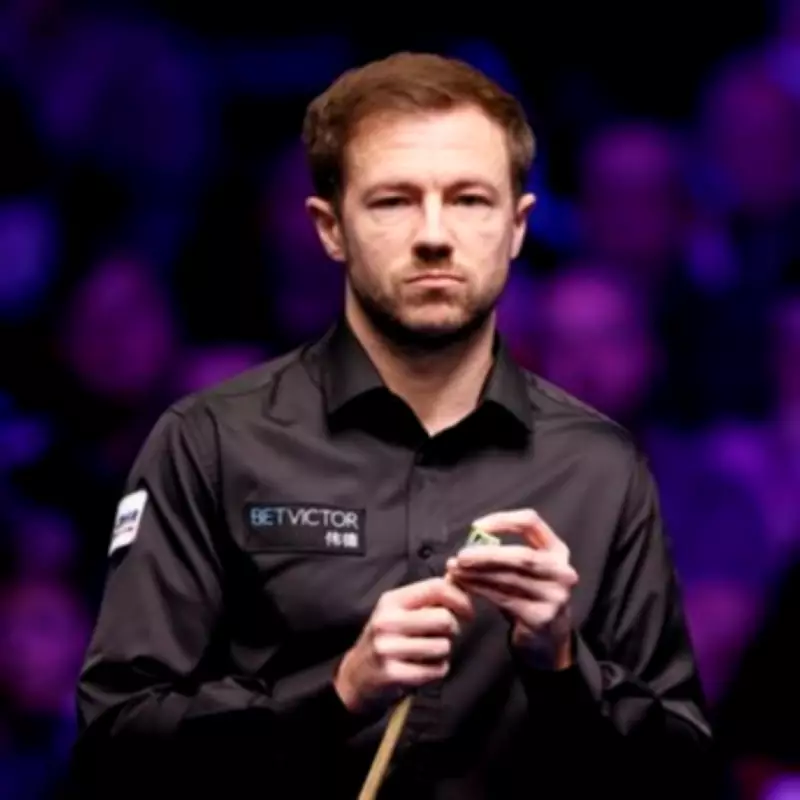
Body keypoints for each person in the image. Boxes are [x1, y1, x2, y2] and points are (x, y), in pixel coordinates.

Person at [70, 52, 713, 799]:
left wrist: (563, 662)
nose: (434, 235)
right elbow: (115, 749)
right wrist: (337, 693)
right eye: (393, 202)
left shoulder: (601, 467)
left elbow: (683, 777)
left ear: (517, 226)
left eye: (469, 200)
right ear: (330, 228)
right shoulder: (210, 444)